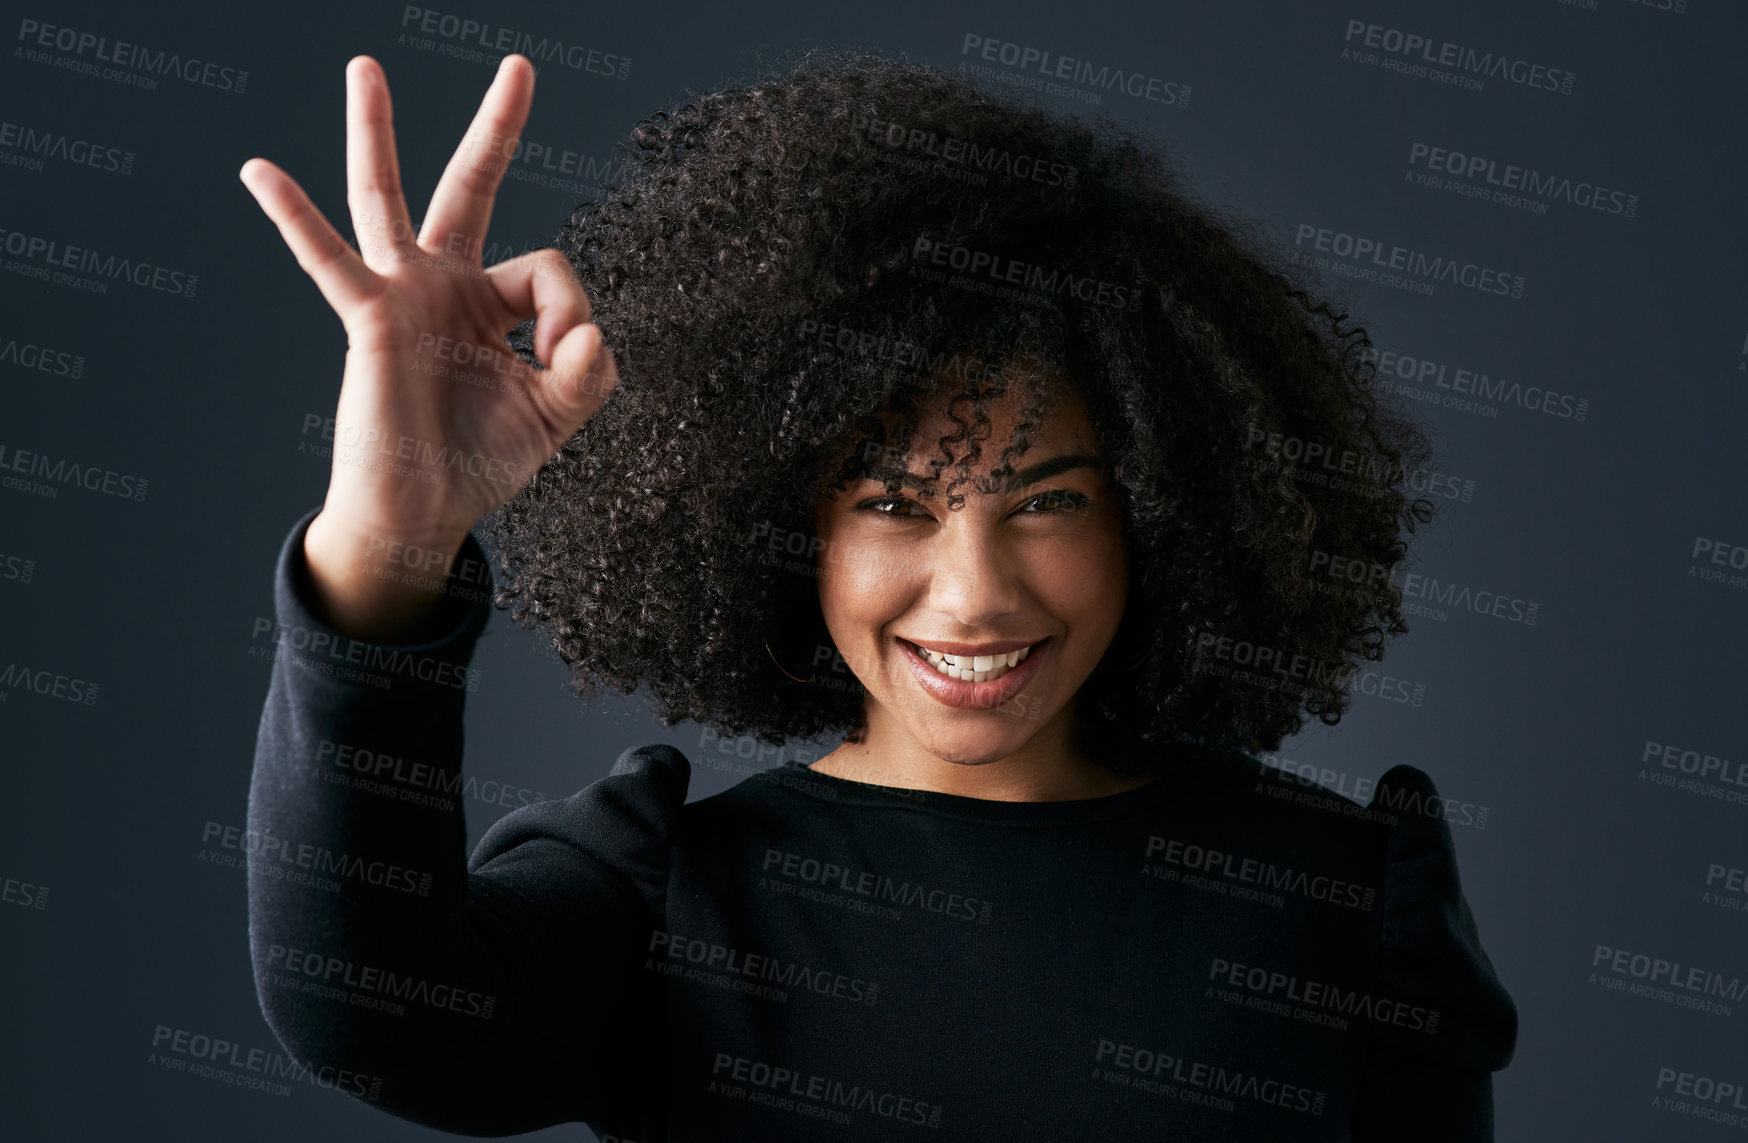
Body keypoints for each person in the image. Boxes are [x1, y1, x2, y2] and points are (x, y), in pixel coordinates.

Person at [241, 47, 1517, 1141]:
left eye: (1050, 500)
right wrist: (390, 534)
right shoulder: (669, 899)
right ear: (782, 519)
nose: (970, 594)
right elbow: (362, 1006)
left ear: (1164, 518)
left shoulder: (1340, 905)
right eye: (895, 505)